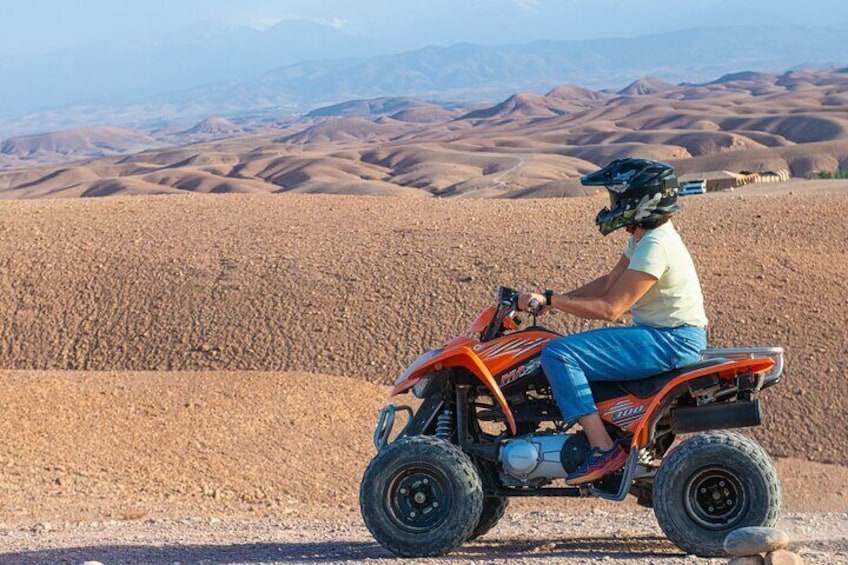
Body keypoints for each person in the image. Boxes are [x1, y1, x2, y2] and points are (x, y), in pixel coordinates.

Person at [518, 158, 708, 486]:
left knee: (558, 354)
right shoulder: (645, 238)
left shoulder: (656, 245)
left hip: (671, 341)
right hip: (666, 336)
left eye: (617, 198)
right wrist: (552, 300)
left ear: (639, 200)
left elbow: (611, 308)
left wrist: (555, 301)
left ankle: (603, 449)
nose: (612, 205)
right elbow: (609, 282)